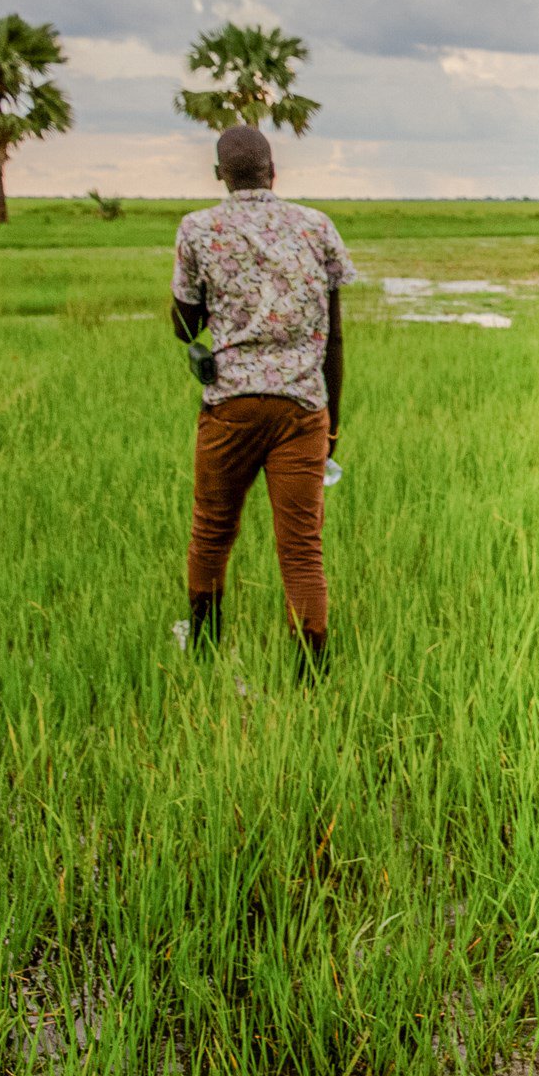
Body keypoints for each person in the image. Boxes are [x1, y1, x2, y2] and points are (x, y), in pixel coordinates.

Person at [170, 126, 356, 672]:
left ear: (219, 175)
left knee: (211, 529)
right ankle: (312, 673)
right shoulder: (316, 226)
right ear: (274, 172)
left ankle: (203, 647)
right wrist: (333, 425)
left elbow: (186, 325)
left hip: (230, 407)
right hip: (302, 409)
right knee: (301, 549)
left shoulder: (199, 228)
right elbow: (336, 336)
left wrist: (204, 325)